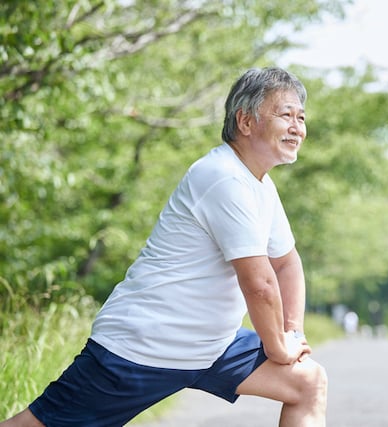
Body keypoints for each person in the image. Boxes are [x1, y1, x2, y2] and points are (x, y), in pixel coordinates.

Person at [1, 67, 328, 427]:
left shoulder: (260, 186)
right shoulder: (222, 177)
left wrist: (291, 334)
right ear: (245, 122)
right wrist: (277, 346)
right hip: (142, 345)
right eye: (286, 115)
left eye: (301, 117)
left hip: (210, 346)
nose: (298, 127)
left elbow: (286, 264)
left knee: (307, 382)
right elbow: (261, 284)